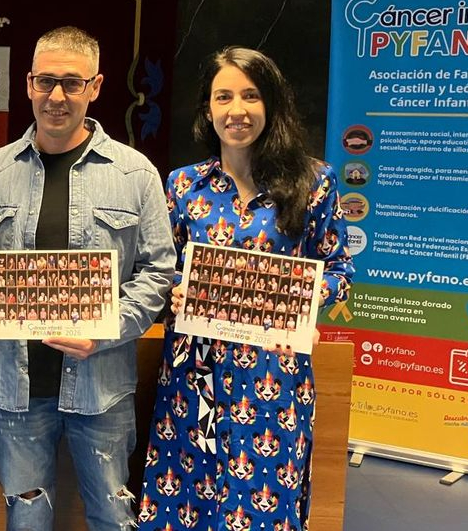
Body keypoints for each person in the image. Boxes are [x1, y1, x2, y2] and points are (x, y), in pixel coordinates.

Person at [0, 27, 176, 531]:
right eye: (46, 82)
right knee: (27, 518)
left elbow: (158, 271)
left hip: (102, 387)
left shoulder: (135, 175)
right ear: (28, 83)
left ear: (95, 87)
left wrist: (108, 327)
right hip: (17, 387)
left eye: (71, 84)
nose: (56, 97)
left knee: (112, 516)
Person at [139, 47, 353, 531]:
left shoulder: (314, 182)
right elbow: (161, 267)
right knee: (184, 503)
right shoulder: (182, 186)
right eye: (224, 97)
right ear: (207, 109)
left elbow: (339, 270)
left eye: (251, 95)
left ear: (271, 104)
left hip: (272, 377)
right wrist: (174, 288)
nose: (237, 110)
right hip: (193, 377)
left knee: (262, 507)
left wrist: (302, 300)